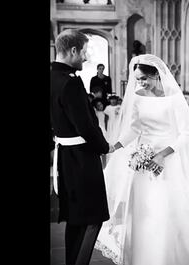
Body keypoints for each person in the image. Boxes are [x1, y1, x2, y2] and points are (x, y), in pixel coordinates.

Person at [95, 54, 189, 265]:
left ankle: (168, 255)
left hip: (168, 159)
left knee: (166, 208)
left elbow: (186, 135)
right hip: (142, 161)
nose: (140, 83)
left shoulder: (174, 99)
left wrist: (161, 155)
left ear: (156, 74)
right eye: (137, 79)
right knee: (144, 210)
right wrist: (115, 146)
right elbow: (134, 128)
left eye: (143, 79)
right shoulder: (138, 96)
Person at [50, 29, 115, 265]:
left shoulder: (52, 77)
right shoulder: (71, 83)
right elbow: (86, 127)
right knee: (92, 218)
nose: (86, 58)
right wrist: (105, 147)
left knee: (76, 219)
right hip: (81, 159)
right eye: (85, 52)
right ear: (74, 50)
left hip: (65, 157)